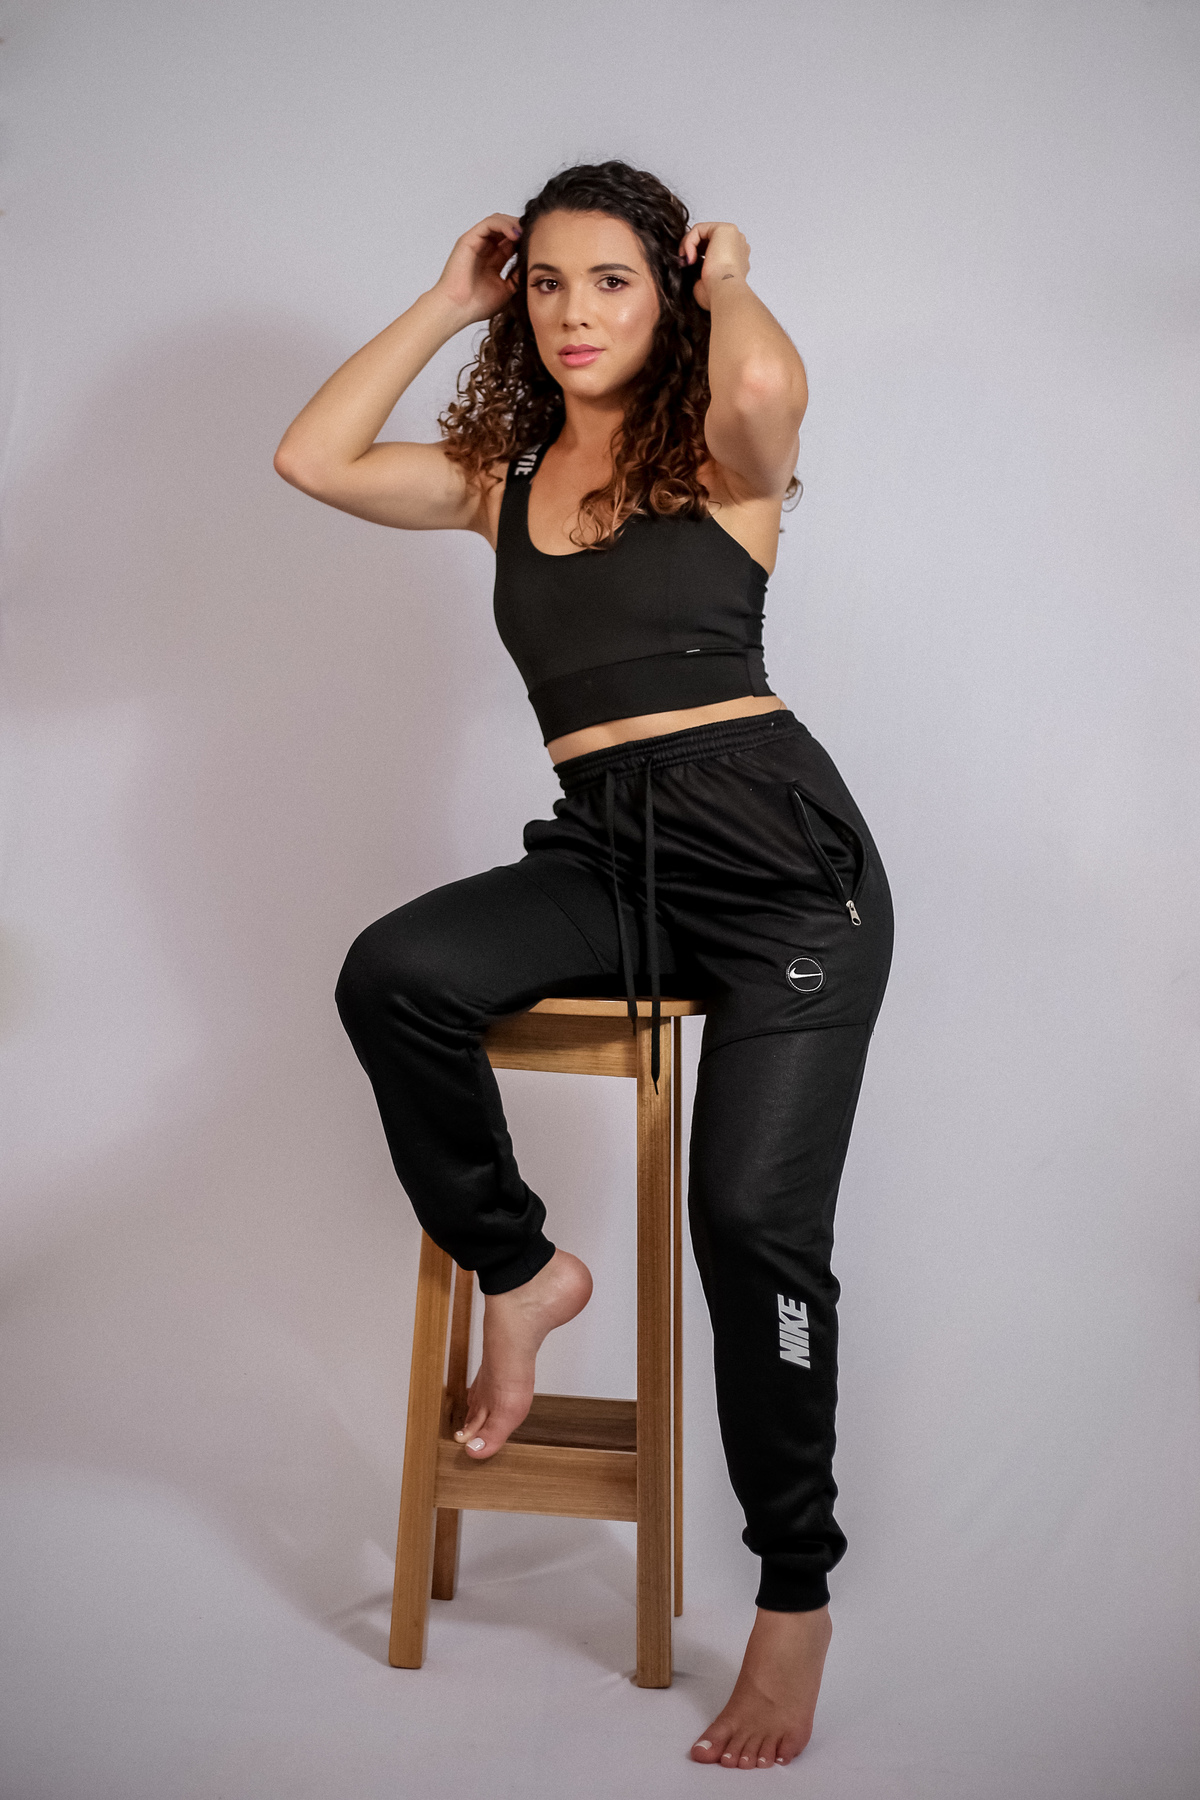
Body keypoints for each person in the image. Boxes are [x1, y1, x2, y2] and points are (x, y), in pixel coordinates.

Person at [275, 160, 892, 1771]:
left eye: (610, 279)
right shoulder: (506, 475)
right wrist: (445, 299)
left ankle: (796, 1595)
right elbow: (312, 458)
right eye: (545, 282)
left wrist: (729, 270)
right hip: (612, 860)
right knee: (394, 973)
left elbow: (766, 383)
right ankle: (522, 1270)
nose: (571, 312)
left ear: (665, 293)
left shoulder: (721, 454)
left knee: (750, 1224)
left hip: (784, 878)